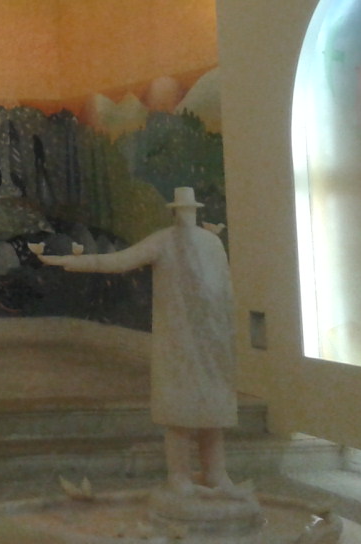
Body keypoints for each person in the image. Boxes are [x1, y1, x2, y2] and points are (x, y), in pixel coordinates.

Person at [36, 187, 242, 498]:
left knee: (211, 410)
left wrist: (226, 333)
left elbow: (224, 290)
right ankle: (179, 475)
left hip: (210, 338)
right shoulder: (164, 240)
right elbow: (120, 261)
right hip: (178, 338)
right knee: (178, 410)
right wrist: (73, 262)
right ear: (175, 212)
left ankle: (215, 472)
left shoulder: (211, 243)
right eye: (181, 210)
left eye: (188, 210)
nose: (185, 215)